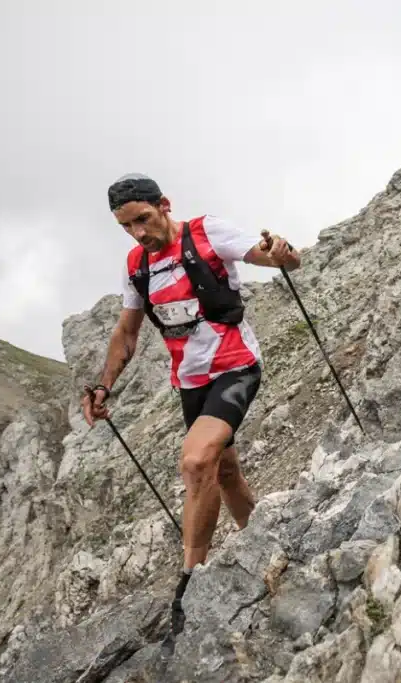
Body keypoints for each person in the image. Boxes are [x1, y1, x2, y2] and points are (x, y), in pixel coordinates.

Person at [80, 173, 301, 648]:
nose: (138, 232)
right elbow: (128, 332)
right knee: (223, 470)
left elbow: (277, 257)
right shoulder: (137, 264)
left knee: (196, 461)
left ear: (164, 204)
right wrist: (104, 385)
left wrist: (283, 252)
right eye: (126, 226)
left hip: (236, 367)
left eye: (143, 219)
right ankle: (261, 541)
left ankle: (190, 580)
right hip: (189, 381)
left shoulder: (207, 232)